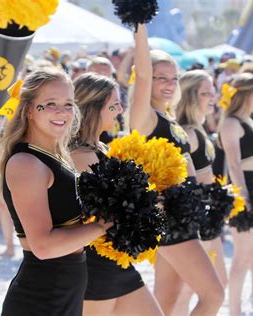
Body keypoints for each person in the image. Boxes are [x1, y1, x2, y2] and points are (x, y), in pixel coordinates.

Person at [0, 68, 110, 315]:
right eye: (50, 104)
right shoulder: (27, 163)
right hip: (42, 296)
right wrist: (103, 225)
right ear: (29, 110)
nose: (62, 112)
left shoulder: (56, 158)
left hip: (63, 288)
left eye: (68, 104)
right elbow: (43, 246)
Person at [130, 24, 224, 315]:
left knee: (168, 303)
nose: (169, 83)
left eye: (173, 78)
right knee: (214, 295)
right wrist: (140, 25)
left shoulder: (169, 117)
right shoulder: (144, 116)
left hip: (183, 213)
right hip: (170, 217)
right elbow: (143, 74)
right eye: (161, 78)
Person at [70, 73, 163, 316]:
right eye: (114, 104)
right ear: (94, 107)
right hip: (95, 264)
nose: (120, 109)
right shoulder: (81, 155)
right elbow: (109, 212)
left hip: (116, 262)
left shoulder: (99, 148)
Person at [174, 70, 227, 315]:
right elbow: (184, 183)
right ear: (190, 97)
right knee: (194, 291)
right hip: (198, 220)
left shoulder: (199, 130)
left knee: (202, 289)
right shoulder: (189, 134)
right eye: (205, 92)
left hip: (206, 218)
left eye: (212, 90)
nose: (212, 97)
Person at [218, 73, 253, 316]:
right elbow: (233, 165)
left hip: (252, 188)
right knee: (242, 258)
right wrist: (244, 199)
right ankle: (234, 311)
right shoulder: (231, 123)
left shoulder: (248, 120)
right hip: (246, 191)